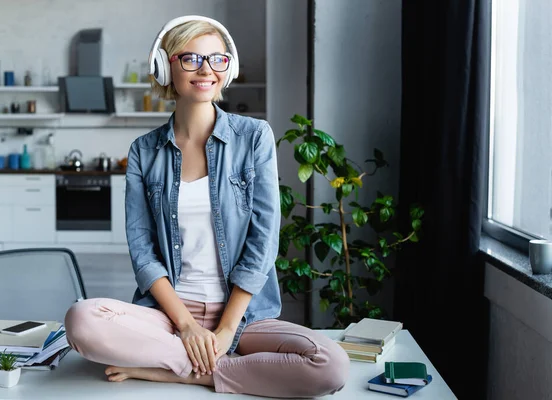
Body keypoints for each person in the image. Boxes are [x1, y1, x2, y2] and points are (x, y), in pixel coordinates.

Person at [64, 15, 349, 398]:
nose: (206, 70)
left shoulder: (254, 137)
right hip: (166, 316)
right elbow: (143, 252)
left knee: (330, 365)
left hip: (243, 317)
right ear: (165, 67)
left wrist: (226, 330)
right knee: (82, 320)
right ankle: (205, 363)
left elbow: (263, 240)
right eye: (191, 59)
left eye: (217, 59)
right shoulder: (144, 152)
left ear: (227, 70)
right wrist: (186, 326)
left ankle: (180, 372)